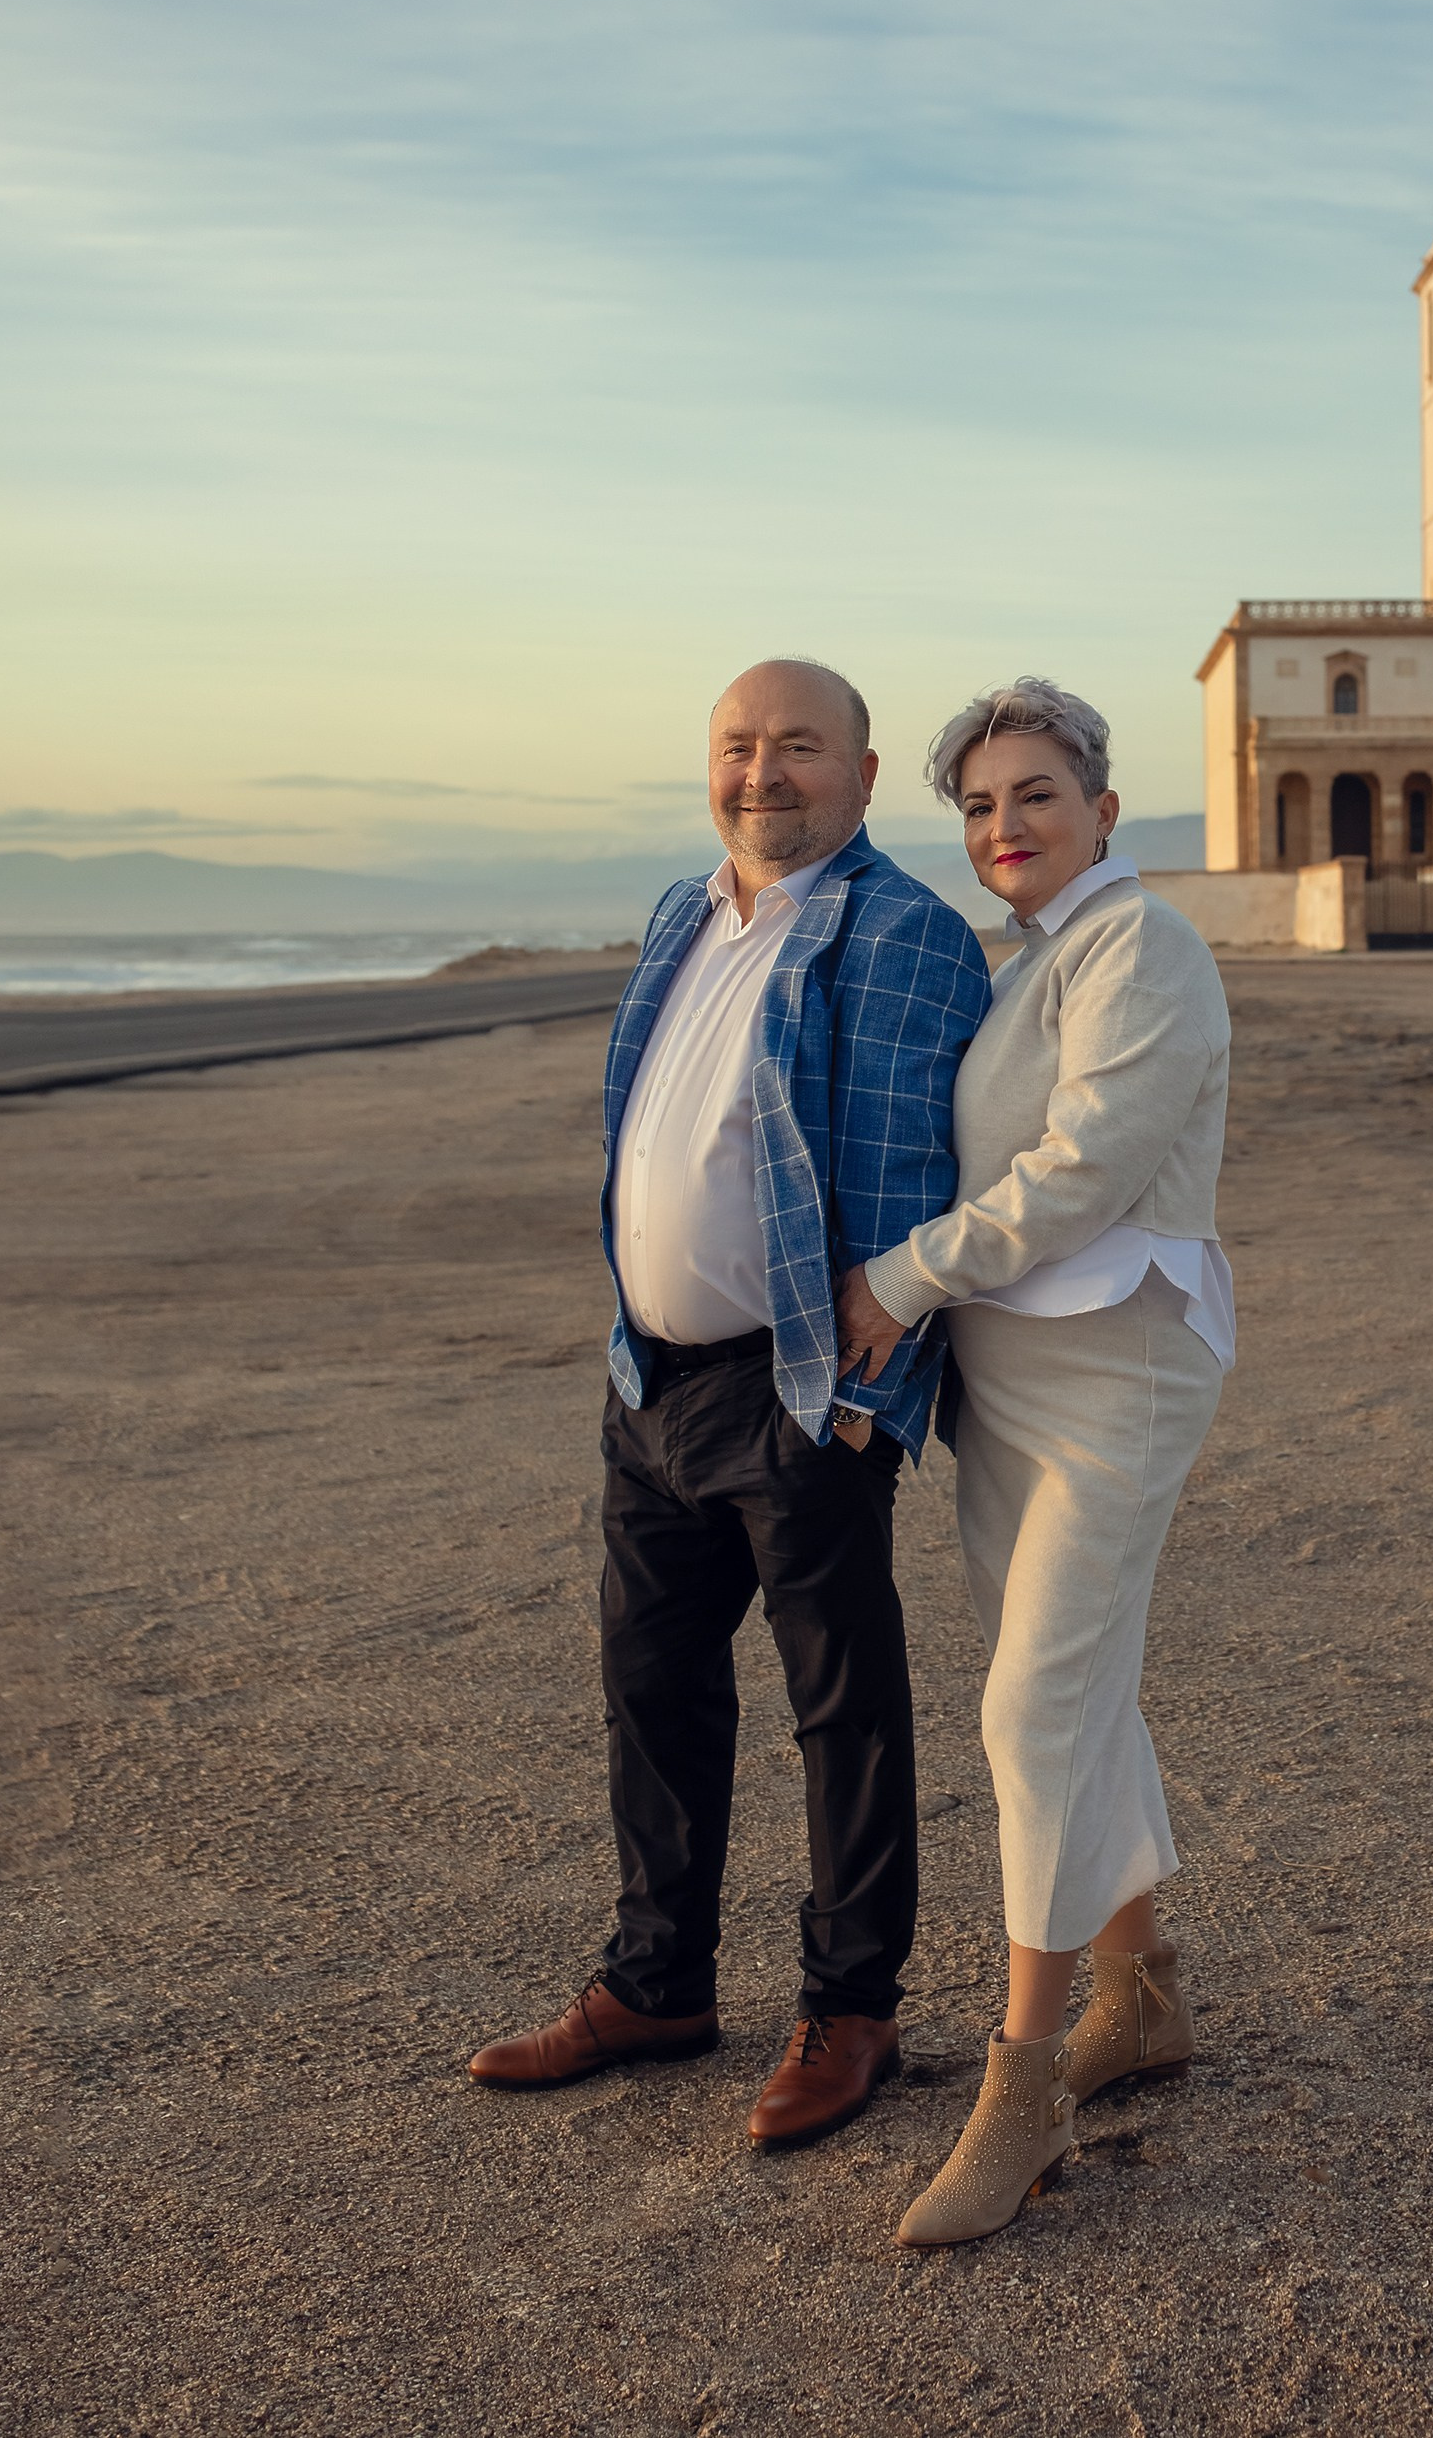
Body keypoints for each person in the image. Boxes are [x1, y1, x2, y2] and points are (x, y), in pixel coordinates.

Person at [469, 659, 991, 2151]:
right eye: (739, 746)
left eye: (799, 747)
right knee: (653, 1686)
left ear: (864, 776)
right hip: (651, 1380)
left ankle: (854, 2007)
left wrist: (867, 1393)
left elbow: (909, 1176)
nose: (763, 772)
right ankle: (658, 1985)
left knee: (843, 1712)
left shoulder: (900, 930)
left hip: (798, 1388)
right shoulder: (681, 913)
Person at [836, 678, 1234, 2246]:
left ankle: (1021, 2086)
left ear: (1103, 809)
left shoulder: (1145, 946)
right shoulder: (1029, 962)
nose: (1005, 824)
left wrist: (901, 1276)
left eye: (1037, 794)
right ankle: (1142, 1993)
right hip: (1004, 1384)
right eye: (980, 804)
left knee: (1033, 1705)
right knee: (1079, 1685)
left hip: (1114, 1376)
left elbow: (1083, 1173)